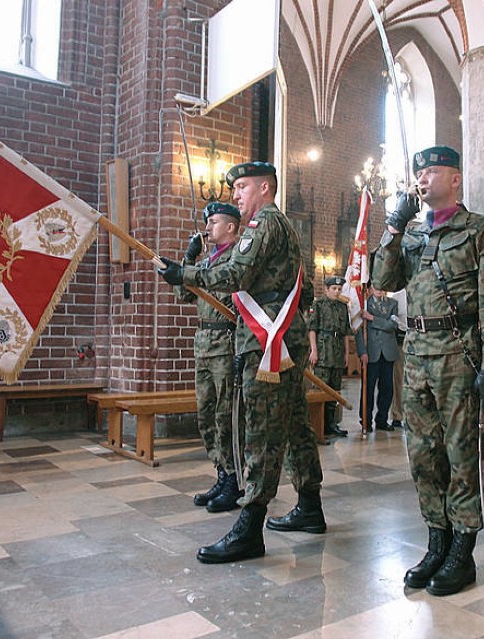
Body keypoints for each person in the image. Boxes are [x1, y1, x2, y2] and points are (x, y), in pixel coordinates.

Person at [157, 161, 326, 564]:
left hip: (268, 337)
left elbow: (237, 271)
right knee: (295, 424)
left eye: (243, 187)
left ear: (265, 188)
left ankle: (250, 525)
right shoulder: (275, 223)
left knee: (262, 430)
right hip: (279, 336)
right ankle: (309, 505)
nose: (235, 195)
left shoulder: (264, 222)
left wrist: (188, 273)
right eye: (234, 188)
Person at [371, 145, 484, 596]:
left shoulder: (479, 232)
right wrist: (394, 227)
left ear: (455, 178)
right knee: (424, 456)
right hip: (415, 354)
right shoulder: (411, 235)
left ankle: (462, 550)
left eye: (432, 171)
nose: (422, 179)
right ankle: (437, 540)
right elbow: (382, 280)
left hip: (458, 354)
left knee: (461, 454)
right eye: (419, 173)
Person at [174, 202, 243, 512]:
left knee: (226, 417)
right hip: (203, 343)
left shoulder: (237, 260)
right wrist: (189, 257)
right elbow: (183, 294)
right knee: (205, 415)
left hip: (226, 344)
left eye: (214, 222)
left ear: (230, 226)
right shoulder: (206, 262)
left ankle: (234, 480)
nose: (208, 228)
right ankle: (221, 472)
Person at [307, 275, 352, 437]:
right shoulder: (318, 305)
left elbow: (346, 331)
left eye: (339, 289)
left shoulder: (342, 306)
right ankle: (319, 425)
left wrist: (347, 353)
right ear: (326, 289)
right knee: (321, 389)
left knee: (335, 390)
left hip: (338, 351)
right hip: (323, 350)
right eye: (334, 289)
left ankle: (331, 424)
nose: (337, 291)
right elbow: (312, 329)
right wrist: (313, 350)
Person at [356, 284, 400, 431]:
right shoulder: (363, 304)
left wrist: (372, 318)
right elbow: (358, 331)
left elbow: (392, 325)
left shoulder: (393, 304)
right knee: (368, 388)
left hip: (388, 352)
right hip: (371, 352)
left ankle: (382, 419)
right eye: (376, 286)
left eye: (382, 286)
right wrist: (362, 352)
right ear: (369, 289)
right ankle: (366, 420)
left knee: (387, 388)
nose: (379, 289)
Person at [388, 288, 408, 429]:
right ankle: (397, 415)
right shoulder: (396, 297)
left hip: (422, 340)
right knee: (399, 379)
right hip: (401, 340)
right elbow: (391, 320)